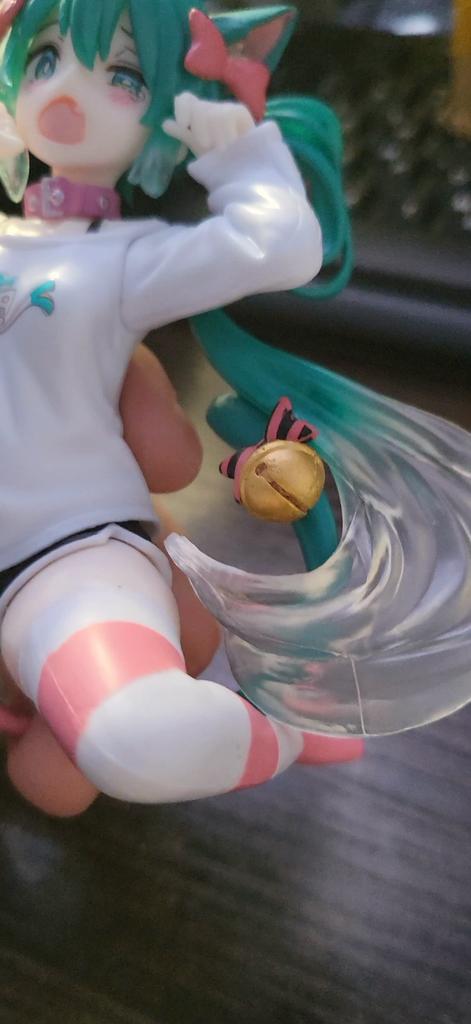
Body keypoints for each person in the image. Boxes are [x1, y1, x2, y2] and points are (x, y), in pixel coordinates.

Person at [0, 0, 363, 814]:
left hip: (60, 556)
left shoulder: (125, 260)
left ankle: (278, 731)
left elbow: (280, 247)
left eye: (123, 76)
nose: (68, 91)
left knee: (133, 737)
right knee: (65, 772)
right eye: (45, 59)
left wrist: (241, 153)